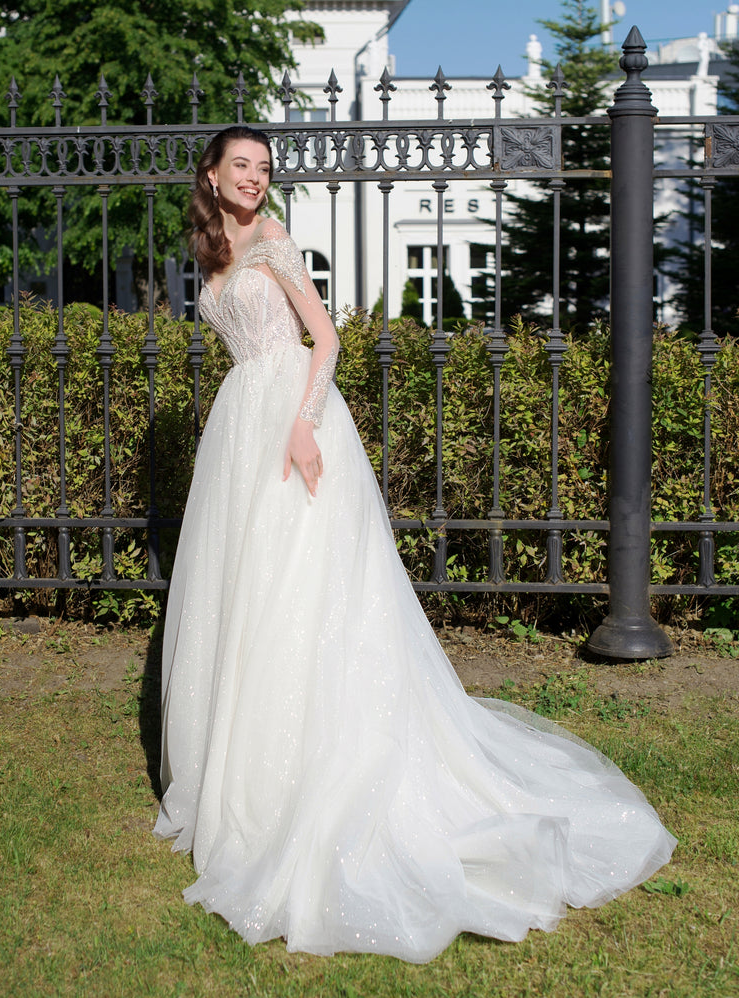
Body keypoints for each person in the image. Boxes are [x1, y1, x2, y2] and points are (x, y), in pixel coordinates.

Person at [153, 125, 676, 963]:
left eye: (262, 169)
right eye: (239, 167)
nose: (252, 179)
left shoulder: (277, 243)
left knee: (303, 586)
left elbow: (325, 339)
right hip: (239, 426)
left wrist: (303, 425)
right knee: (244, 588)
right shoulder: (212, 254)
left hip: (294, 417)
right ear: (211, 177)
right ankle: (242, 767)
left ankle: (319, 761)